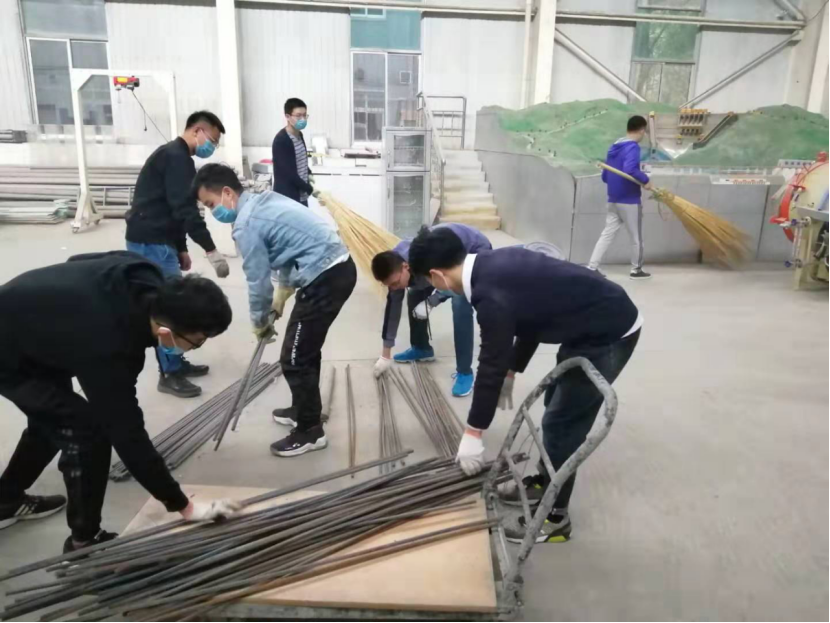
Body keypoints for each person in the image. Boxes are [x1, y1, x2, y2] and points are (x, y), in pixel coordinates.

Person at [408, 227, 642, 544]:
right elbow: (532, 316)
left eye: (428, 281)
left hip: (609, 333)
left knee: (562, 425)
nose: (432, 286)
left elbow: (490, 363)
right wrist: (512, 370)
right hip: (587, 325)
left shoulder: (489, 295)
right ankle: (546, 482)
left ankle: (556, 518)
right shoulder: (492, 263)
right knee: (555, 406)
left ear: (437, 275)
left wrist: (473, 433)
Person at [0, 252, 240, 551]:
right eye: (197, 341)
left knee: (51, 422)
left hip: (36, 332)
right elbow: (127, 434)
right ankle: (84, 541)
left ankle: (5, 500)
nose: (196, 347)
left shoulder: (144, 274)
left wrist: (59, 315)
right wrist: (184, 506)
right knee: (86, 433)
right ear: (166, 331)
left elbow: (77, 260)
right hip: (8, 354)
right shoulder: (107, 347)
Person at [193, 164, 357, 458]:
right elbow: (287, 248)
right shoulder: (262, 201)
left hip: (326, 276)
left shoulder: (247, 223)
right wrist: (283, 291)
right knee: (304, 350)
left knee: (293, 357)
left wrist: (259, 321)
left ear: (227, 193)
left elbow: (257, 281)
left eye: (211, 204)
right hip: (333, 268)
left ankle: (310, 431)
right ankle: (303, 410)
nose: (212, 211)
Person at [126, 110, 231, 399]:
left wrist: (181, 247)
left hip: (159, 240)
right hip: (151, 242)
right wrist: (210, 248)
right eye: (213, 140)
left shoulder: (176, 157)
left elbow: (172, 208)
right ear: (197, 131)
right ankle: (170, 373)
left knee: (175, 305)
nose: (212, 146)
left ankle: (175, 361)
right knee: (168, 309)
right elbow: (185, 210)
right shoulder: (176, 158)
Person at [371, 224, 492, 398]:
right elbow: (392, 310)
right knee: (414, 294)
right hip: (438, 258)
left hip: (472, 248)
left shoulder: (426, 257)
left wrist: (432, 301)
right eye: (390, 285)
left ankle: (465, 372)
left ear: (405, 267)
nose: (394, 287)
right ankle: (422, 348)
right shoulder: (394, 267)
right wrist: (385, 354)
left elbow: (448, 281)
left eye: (396, 283)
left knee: (460, 302)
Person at [588, 115, 655, 281]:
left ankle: (592, 267)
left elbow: (605, 176)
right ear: (642, 130)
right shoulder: (632, 147)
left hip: (613, 198)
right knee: (636, 238)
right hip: (630, 200)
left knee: (607, 234)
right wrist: (645, 180)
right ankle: (636, 270)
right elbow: (630, 169)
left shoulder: (614, 147)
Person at [272, 98, 314, 206]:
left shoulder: (299, 135)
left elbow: (300, 161)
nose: (302, 119)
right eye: (298, 116)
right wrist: (308, 188)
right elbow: (288, 173)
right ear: (288, 116)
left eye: (304, 115)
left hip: (301, 194)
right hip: (287, 197)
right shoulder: (281, 140)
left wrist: (308, 173)